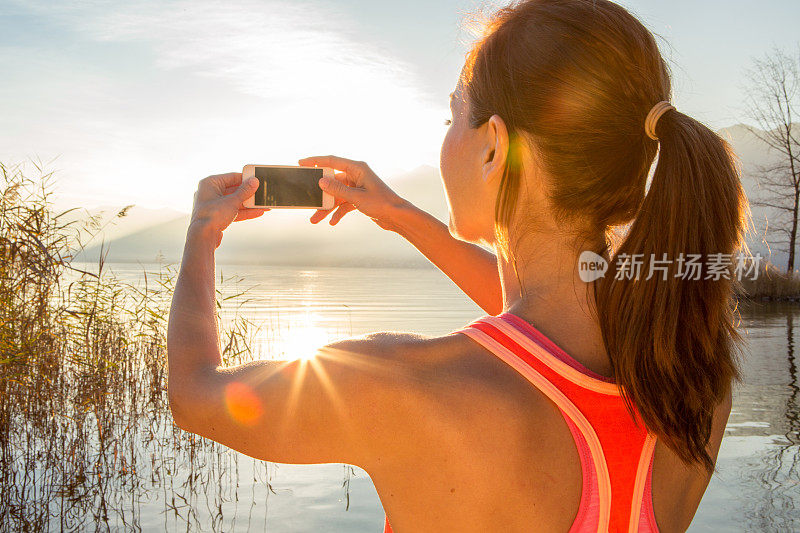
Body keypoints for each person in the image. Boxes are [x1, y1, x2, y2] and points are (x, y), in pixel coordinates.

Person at [167, 0, 747, 530]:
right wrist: (399, 214)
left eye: (453, 117)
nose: (445, 139)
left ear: (494, 146)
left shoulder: (406, 386)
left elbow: (194, 397)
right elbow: (542, 336)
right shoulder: (696, 379)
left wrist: (202, 232)